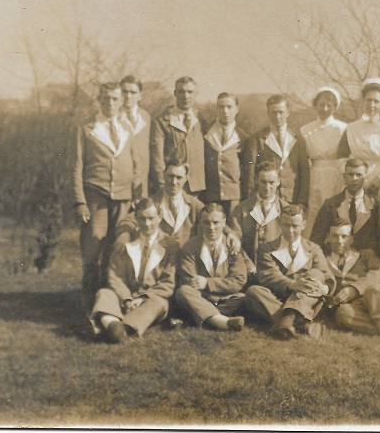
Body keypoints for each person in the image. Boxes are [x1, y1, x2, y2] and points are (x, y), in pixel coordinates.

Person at [73, 82, 141, 312]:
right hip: (96, 197)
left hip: (123, 199)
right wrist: (80, 201)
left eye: (114, 99)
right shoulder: (87, 129)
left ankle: (113, 300)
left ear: (121, 101)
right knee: (94, 243)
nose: (110, 103)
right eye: (106, 99)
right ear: (99, 101)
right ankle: (87, 300)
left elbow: (136, 165)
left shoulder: (127, 129)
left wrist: (137, 196)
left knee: (118, 248)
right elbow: (75, 167)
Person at [89, 198, 176, 343]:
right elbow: (115, 276)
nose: (147, 224)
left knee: (160, 304)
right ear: (135, 219)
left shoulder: (171, 245)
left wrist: (142, 299)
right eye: (142, 218)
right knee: (104, 293)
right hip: (126, 297)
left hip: (150, 298)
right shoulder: (126, 242)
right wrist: (127, 298)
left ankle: (119, 327)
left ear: (160, 218)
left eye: (151, 218)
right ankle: (113, 325)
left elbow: (168, 283)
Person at [245, 205, 333, 340]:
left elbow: (325, 275)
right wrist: (293, 285)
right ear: (280, 224)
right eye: (286, 225)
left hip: (307, 299)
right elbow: (269, 275)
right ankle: (302, 324)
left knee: (315, 273)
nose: (290, 231)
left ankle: (287, 321)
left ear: (303, 225)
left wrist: (324, 288)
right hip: (278, 298)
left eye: (295, 226)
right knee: (254, 291)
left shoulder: (313, 248)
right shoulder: (267, 249)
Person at [174, 204, 249, 332]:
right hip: (202, 298)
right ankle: (223, 322)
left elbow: (239, 280)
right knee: (183, 291)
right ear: (200, 224)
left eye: (216, 223)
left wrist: (207, 283)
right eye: (206, 223)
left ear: (224, 223)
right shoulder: (190, 246)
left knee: (246, 297)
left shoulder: (233, 245)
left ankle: (205, 317)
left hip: (228, 299)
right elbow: (189, 280)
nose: (211, 227)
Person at [321, 220, 380, 337]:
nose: (339, 241)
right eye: (335, 236)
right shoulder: (322, 261)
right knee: (343, 314)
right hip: (352, 309)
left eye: (344, 237)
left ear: (351, 239)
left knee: (378, 293)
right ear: (328, 237)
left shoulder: (365, 255)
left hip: (371, 300)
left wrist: (355, 288)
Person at [337, 78, 380, 195]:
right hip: (354, 182)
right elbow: (341, 158)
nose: (371, 105)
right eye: (368, 100)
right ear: (363, 100)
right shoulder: (351, 128)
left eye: (376, 101)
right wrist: (351, 178)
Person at [244, 95, 310, 207]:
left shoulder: (298, 140)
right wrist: (252, 199)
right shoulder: (257, 139)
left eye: (281, 112)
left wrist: (302, 201)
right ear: (268, 113)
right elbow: (250, 172)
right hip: (265, 199)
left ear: (288, 112)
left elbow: (304, 172)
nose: (277, 116)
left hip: (291, 199)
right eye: (273, 112)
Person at [299, 86, 347, 234]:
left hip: (337, 174)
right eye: (321, 105)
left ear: (335, 107)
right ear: (315, 105)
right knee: (314, 210)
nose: (325, 109)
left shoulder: (343, 128)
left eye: (329, 105)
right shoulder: (306, 130)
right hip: (315, 174)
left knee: (336, 211)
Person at [310, 158, 380, 256]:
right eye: (350, 174)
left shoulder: (375, 205)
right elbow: (316, 240)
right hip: (335, 262)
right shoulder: (330, 204)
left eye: (359, 175)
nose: (354, 179)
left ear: (366, 177)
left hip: (365, 263)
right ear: (344, 177)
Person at [149, 76, 207, 197]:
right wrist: (162, 186)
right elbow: (157, 160)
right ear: (175, 93)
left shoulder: (201, 119)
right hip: (171, 185)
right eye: (181, 91)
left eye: (190, 92)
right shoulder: (162, 121)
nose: (186, 96)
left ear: (196, 93)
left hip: (196, 187)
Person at [230, 162, 289, 269]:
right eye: (263, 182)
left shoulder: (286, 209)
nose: (267, 187)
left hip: (278, 269)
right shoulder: (242, 209)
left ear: (278, 182)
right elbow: (235, 243)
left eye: (271, 182)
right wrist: (248, 265)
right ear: (257, 181)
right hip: (249, 268)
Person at [203, 92, 248, 216]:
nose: (225, 111)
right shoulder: (206, 132)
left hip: (234, 197)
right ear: (216, 109)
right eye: (221, 107)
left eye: (229, 107)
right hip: (210, 196)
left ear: (237, 109)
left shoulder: (243, 137)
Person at [119, 75, 152, 196]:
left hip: (141, 184)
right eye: (124, 92)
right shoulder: (112, 118)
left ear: (140, 96)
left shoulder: (146, 118)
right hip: (118, 185)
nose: (128, 96)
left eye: (133, 92)